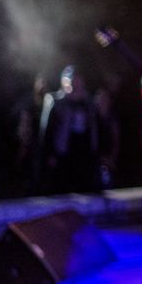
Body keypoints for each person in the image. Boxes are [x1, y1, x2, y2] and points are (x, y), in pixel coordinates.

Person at [39, 65, 102, 194]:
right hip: (63, 152)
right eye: (72, 81)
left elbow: (96, 129)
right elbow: (47, 130)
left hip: (84, 152)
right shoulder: (56, 102)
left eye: (78, 81)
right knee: (63, 188)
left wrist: (96, 153)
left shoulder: (89, 103)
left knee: (85, 188)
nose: (75, 85)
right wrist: (50, 154)